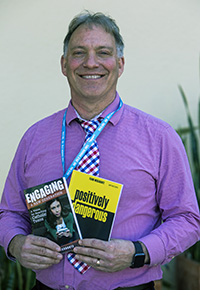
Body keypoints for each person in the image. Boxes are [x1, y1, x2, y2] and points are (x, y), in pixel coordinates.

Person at [0, 10, 200, 290]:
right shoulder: (34, 137)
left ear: (120, 64)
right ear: (64, 63)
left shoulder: (159, 137)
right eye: (79, 52)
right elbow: (8, 212)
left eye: (103, 52)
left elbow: (187, 219)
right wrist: (16, 243)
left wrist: (136, 252)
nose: (91, 63)